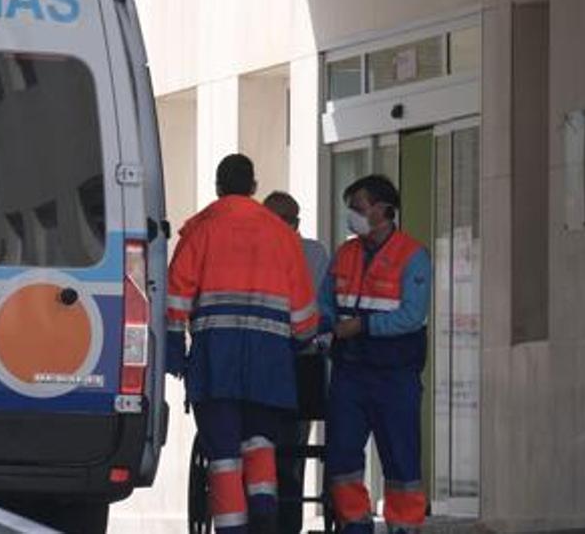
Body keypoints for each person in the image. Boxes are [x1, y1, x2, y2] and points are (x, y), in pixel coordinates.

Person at [166, 155, 318, 533]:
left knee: (224, 456)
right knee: (260, 443)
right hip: (269, 364)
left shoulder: (200, 230)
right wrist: (301, 341)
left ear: (218, 187)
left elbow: (176, 298)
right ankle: (264, 511)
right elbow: (304, 313)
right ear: (253, 187)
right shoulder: (282, 235)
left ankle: (233, 527)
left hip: (216, 362)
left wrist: (173, 347)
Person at [320, 174, 430, 534]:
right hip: (350, 372)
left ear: (384, 210)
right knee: (342, 458)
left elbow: (412, 316)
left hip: (394, 372)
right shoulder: (345, 254)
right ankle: (355, 525)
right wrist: (323, 327)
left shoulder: (412, 255)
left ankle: (404, 527)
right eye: (350, 208)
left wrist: (363, 327)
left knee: (401, 459)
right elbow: (325, 305)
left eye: (359, 208)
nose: (352, 215)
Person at [261, 191, 329, 534]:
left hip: (298, 360)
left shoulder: (312, 254)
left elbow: (311, 307)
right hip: (261, 358)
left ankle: (286, 524)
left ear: (295, 224)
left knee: (289, 452)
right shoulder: (253, 252)